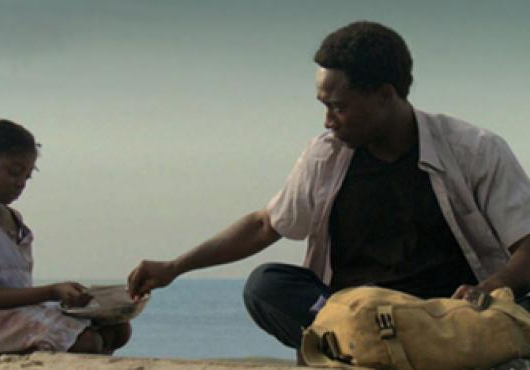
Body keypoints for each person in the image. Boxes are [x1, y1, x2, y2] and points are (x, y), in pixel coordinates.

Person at [127, 21, 530, 358]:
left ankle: (375, 352)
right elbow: (266, 224)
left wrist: (487, 289)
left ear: (385, 95)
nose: (328, 121)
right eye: (324, 105)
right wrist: (176, 267)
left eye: (338, 107)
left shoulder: (473, 150)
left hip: (447, 317)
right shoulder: (327, 155)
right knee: (266, 286)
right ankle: (359, 346)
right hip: (351, 315)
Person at [0, 119, 130, 358]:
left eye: (27, 176)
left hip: (16, 313)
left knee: (120, 329)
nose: (20, 183)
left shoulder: (13, 219)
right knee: (87, 342)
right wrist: (51, 292)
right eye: (14, 173)